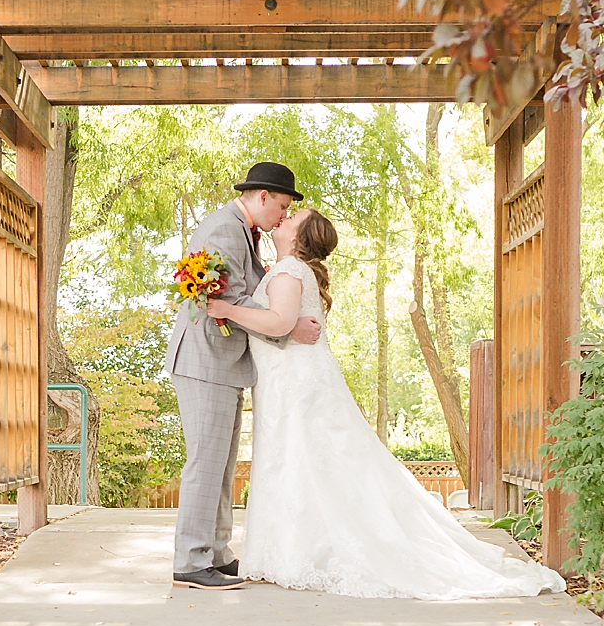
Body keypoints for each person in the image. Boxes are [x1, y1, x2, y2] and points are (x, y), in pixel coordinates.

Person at [207, 205, 567, 600]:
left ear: (299, 236)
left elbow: (277, 323)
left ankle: (304, 552)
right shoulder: (285, 270)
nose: (284, 217)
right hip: (287, 381)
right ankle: (290, 550)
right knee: (301, 462)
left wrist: (225, 309)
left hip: (296, 383)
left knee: (302, 459)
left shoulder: (289, 271)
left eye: (294, 217)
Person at [164, 160, 322, 591]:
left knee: (221, 464)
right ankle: (191, 560)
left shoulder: (242, 231)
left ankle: (215, 553)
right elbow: (229, 299)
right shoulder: (223, 228)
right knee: (206, 462)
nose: (284, 216)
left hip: (224, 364)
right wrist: (288, 325)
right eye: (283, 206)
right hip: (205, 362)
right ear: (263, 196)